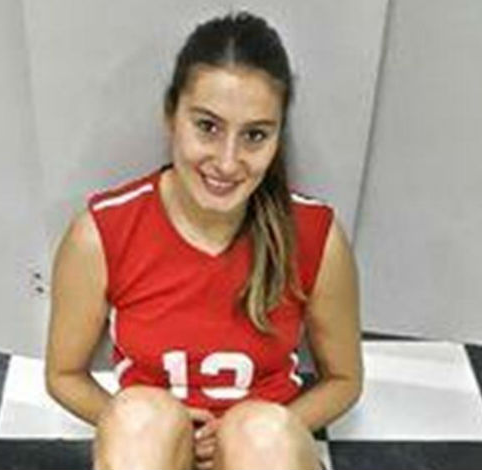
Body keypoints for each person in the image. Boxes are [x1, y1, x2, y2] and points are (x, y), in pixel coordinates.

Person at [45, 10, 363, 470]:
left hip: (264, 460)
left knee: (259, 434)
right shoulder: (103, 232)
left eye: (255, 135)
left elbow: (345, 380)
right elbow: (63, 374)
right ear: (171, 115)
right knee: (140, 419)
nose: (228, 162)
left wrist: (252, 434)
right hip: (156, 457)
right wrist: (156, 431)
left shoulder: (314, 234)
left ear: (277, 138)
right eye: (208, 127)